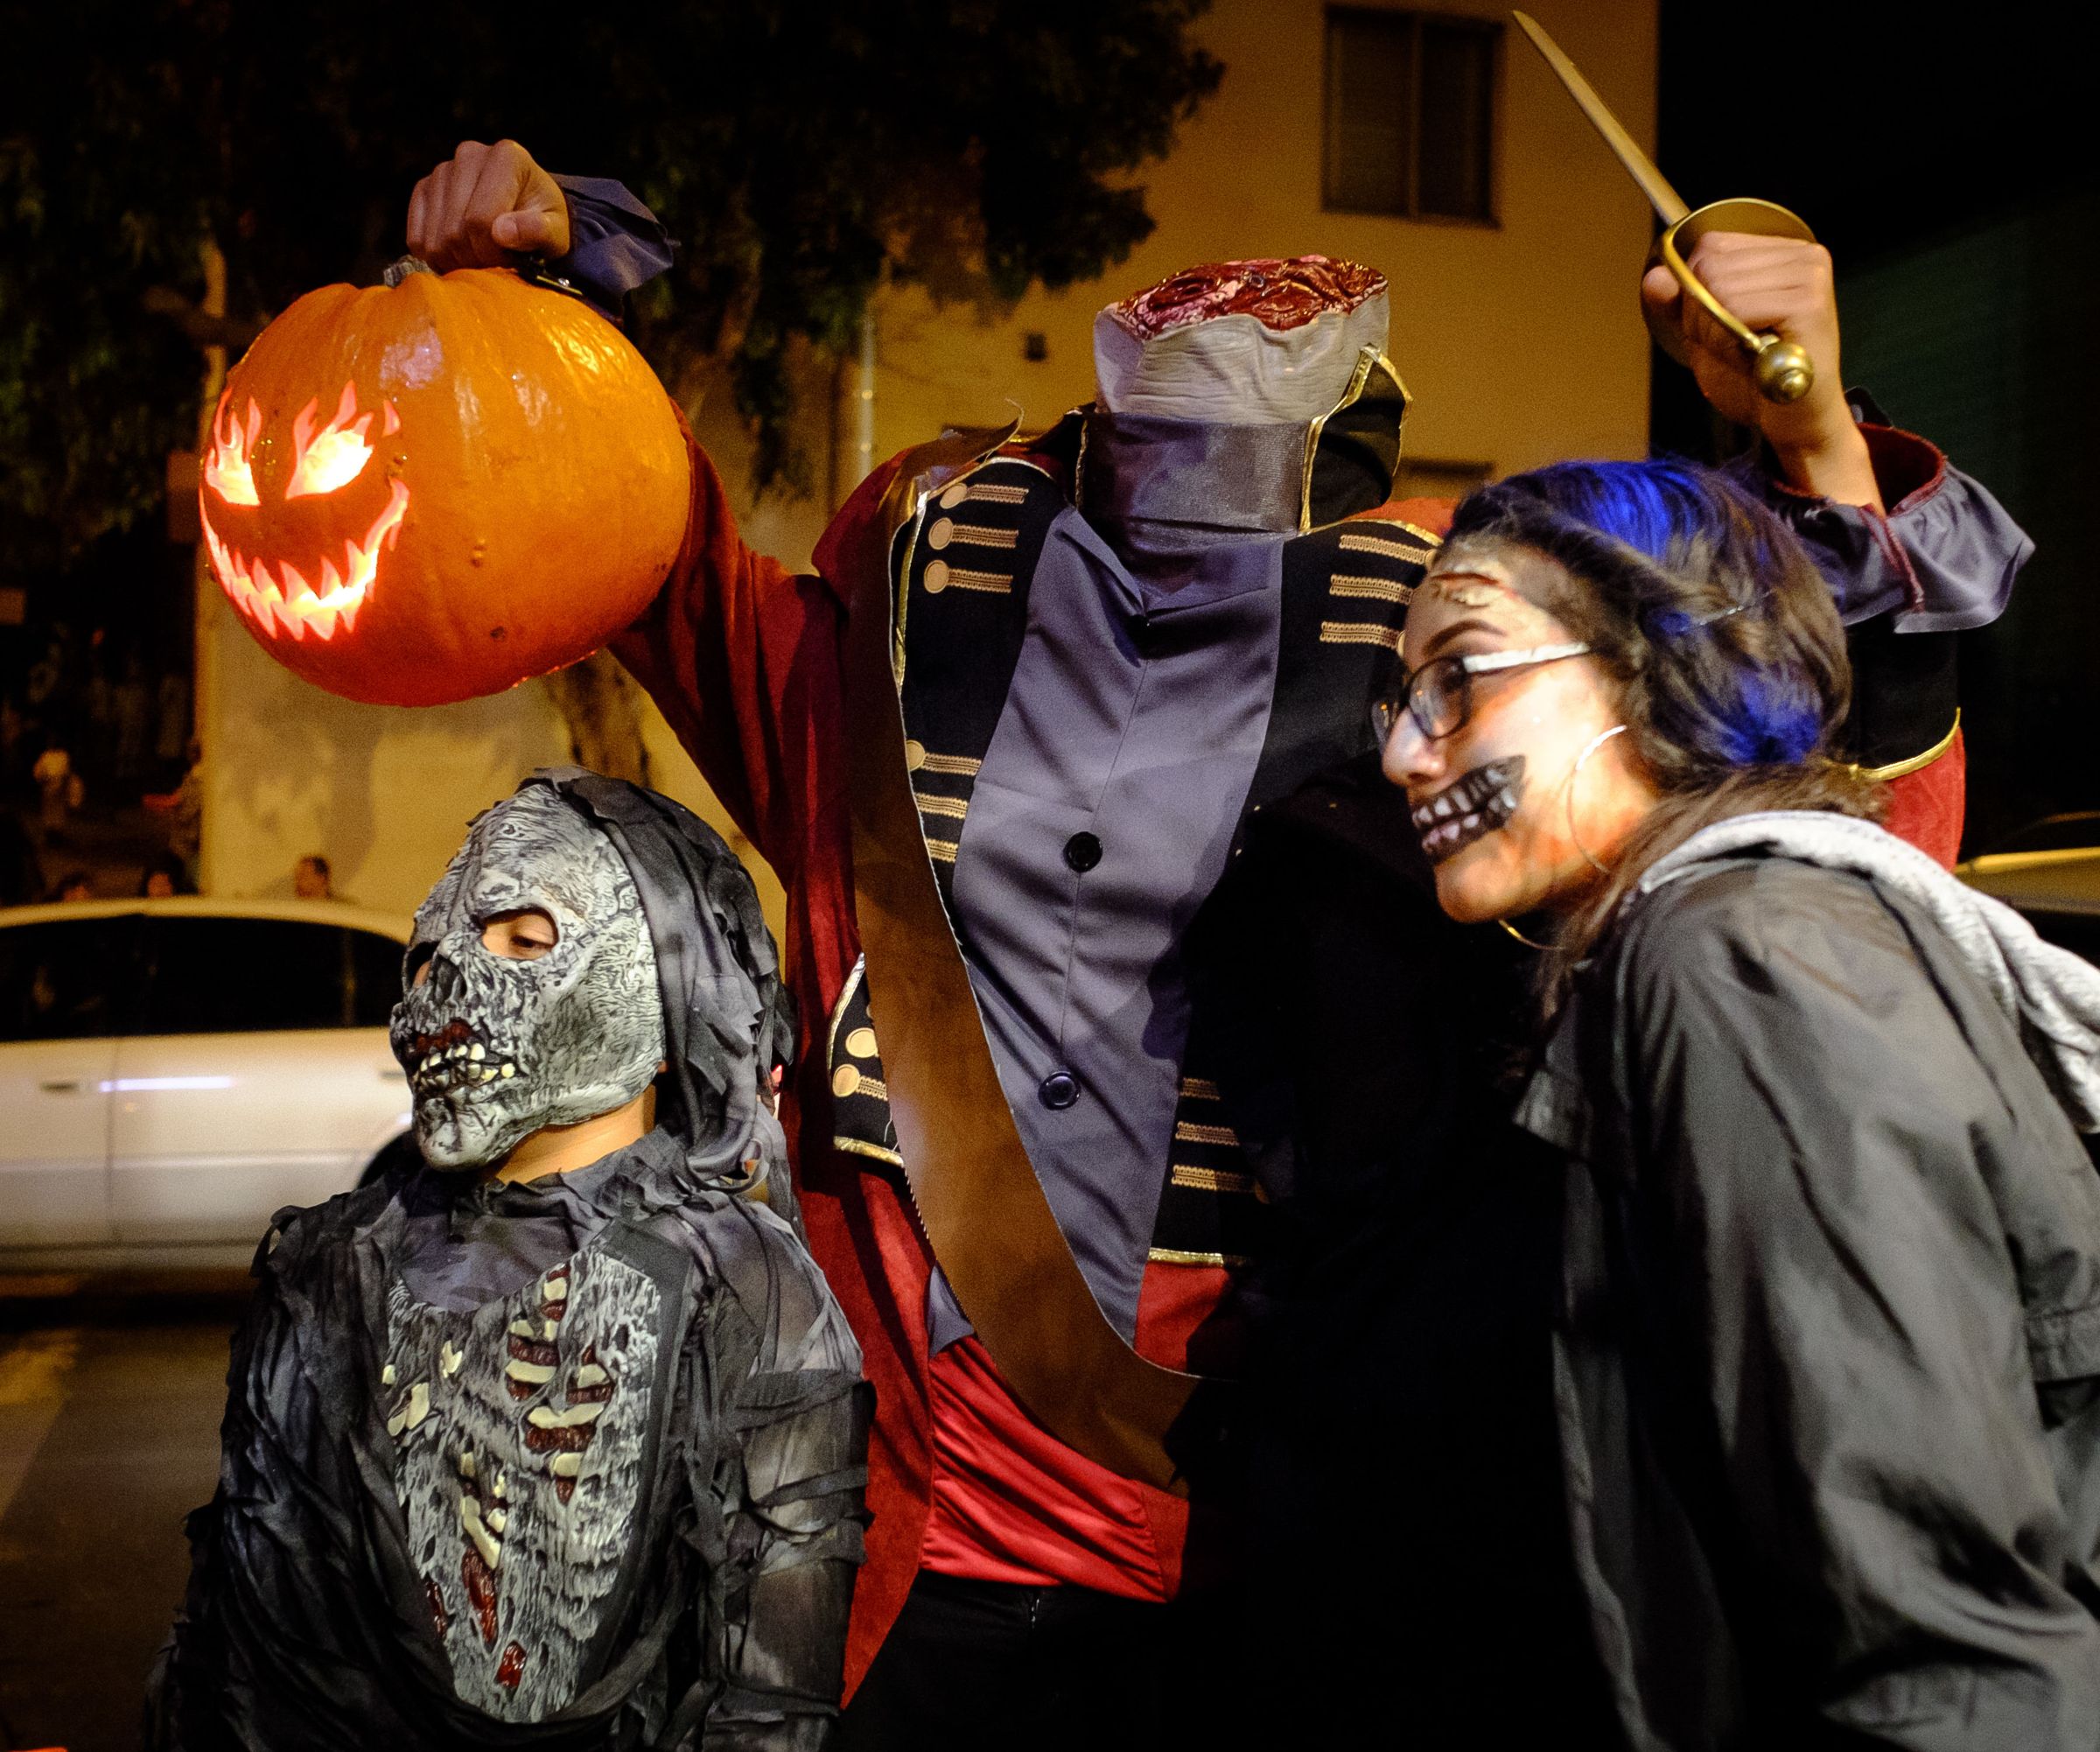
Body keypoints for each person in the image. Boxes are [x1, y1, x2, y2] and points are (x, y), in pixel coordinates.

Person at [405, 142, 2031, 1742]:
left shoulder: (1456, 704)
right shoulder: (905, 644)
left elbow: (1811, 846)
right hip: (886, 1541)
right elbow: (640, 546)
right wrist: (530, 310)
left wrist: (1817, 444)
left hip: (1303, 1546)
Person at [1380, 459, 2100, 1747]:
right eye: (1404, 690)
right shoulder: (1706, 936)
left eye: (1462, 676)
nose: (1401, 749)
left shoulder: (1739, 955)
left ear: (1661, 667)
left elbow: (1945, 1639)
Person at [150, 769, 871, 1750]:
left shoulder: (751, 1295)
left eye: (525, 938)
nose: (442, 984)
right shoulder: (323, 1270)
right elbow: (237, 1661)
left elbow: (767, 1706)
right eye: (422, 955)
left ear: (668, 991)